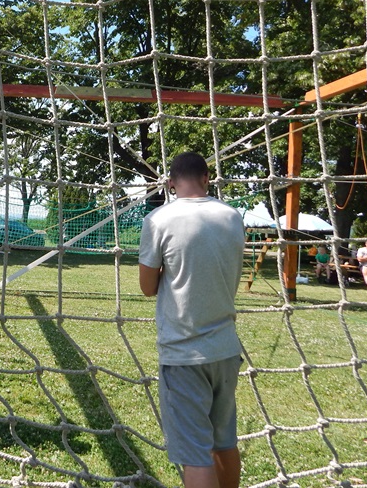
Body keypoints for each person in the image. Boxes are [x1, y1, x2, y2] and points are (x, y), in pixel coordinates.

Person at [138, 152, 244, 488]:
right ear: (207, 178)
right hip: (226, 349)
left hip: (184, 353)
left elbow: (147, 287)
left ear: (170, 183)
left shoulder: (159, 219)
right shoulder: (232, 216)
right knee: (224, 441)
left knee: (196, 454)